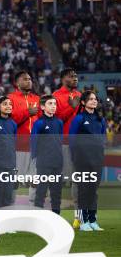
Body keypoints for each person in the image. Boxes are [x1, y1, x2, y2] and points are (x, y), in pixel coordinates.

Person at [69, 91, 106, 231]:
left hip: (96, 160)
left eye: (95, 99)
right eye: (90, 99)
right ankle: (84, 222)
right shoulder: (78, 119)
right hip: (82, 160)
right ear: (83, 103)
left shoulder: (100, 119)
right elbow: (72, 139)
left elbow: (103, 140)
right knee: (83, 190)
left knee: (93, 191)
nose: (94, 101)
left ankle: (93, 220)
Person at [52, 68, 81, 228]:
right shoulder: (56, 96)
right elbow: (56, 121)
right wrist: (71, 107)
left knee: (79, 181)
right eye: (71, 76)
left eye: (76, 76)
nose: (75, 78)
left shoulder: (80, 94)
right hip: (61, 144)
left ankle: (79, 217)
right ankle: (55, 219)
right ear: (63, 79)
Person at [8, 71, 40, 205]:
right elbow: (8, 121)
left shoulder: (37, 99)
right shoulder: (10, 99)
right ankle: (9, 208)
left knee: (36, 181)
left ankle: (34, 209)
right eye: (25, 79)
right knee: (14, 181)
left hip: (36, 147)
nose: (29, 81)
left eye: (30, 79)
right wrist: (27, 113)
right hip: (18, 147)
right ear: (17, 83)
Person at [31, 95, 64, 215]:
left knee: (56, 193)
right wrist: (34, 163)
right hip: (43, 163)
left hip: (57, 163)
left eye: (55, 104)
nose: (53, 106)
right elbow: (34, 144)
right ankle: (38, 218)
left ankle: (56, 218)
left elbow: (59, 142)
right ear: (42, 107)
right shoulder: (38, 123)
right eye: (50, 104)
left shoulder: (59, 122)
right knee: (41, 192)